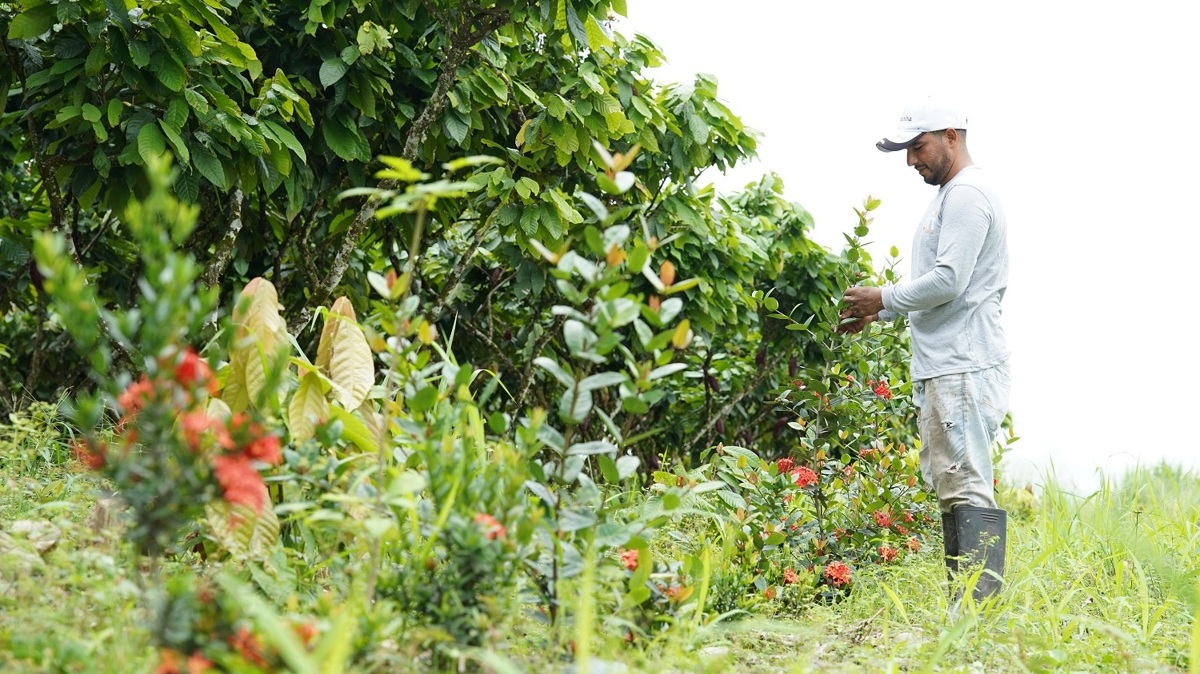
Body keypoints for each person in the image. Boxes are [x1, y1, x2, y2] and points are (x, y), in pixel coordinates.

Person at [839, 97, 1011, 602]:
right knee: (953, 488)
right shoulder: (950, 196)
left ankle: (978, 614)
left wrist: (884, 297)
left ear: (951, 136)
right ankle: (965, 611)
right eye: (907, 151)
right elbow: (944, 287)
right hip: (948, 364)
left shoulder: (968, 195)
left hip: (963, 364)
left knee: (967, 487)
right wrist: (881, 312)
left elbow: (950, 280)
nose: (911, 160)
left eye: (918, 147)